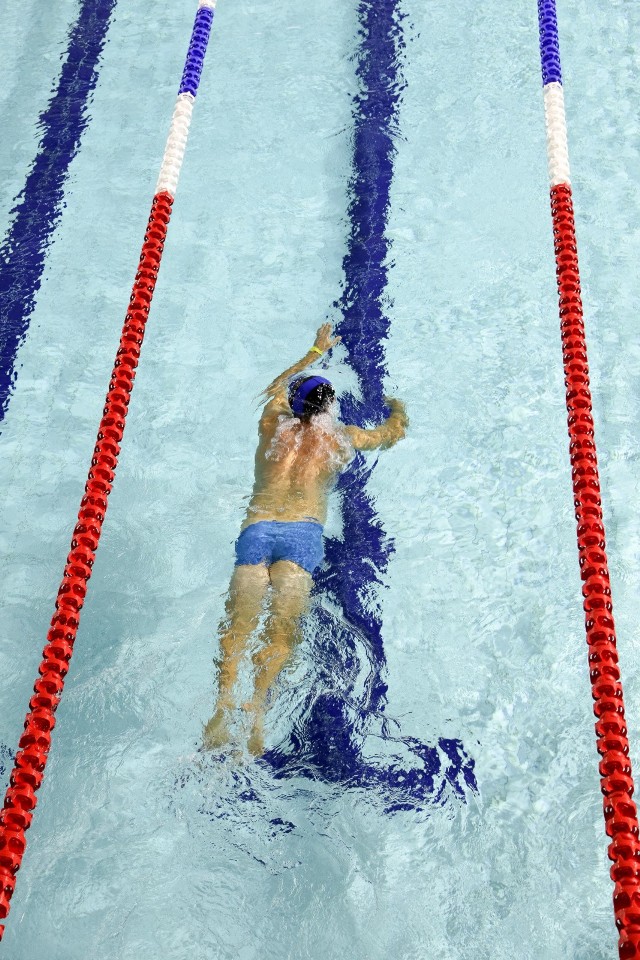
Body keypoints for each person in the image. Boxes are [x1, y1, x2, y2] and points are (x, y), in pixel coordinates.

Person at [204, 323, 408, 755]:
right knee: (281, 633)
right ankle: (256, 717)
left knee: (236, 629)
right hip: (302, 539)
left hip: (257, 531)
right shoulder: (342, 437)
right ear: (330, 406)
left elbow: (275, 387)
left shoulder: (272, 426)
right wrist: (398, 409)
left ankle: (222, 709)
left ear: (293, 406)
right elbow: (391, 436)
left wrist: (315, 349)